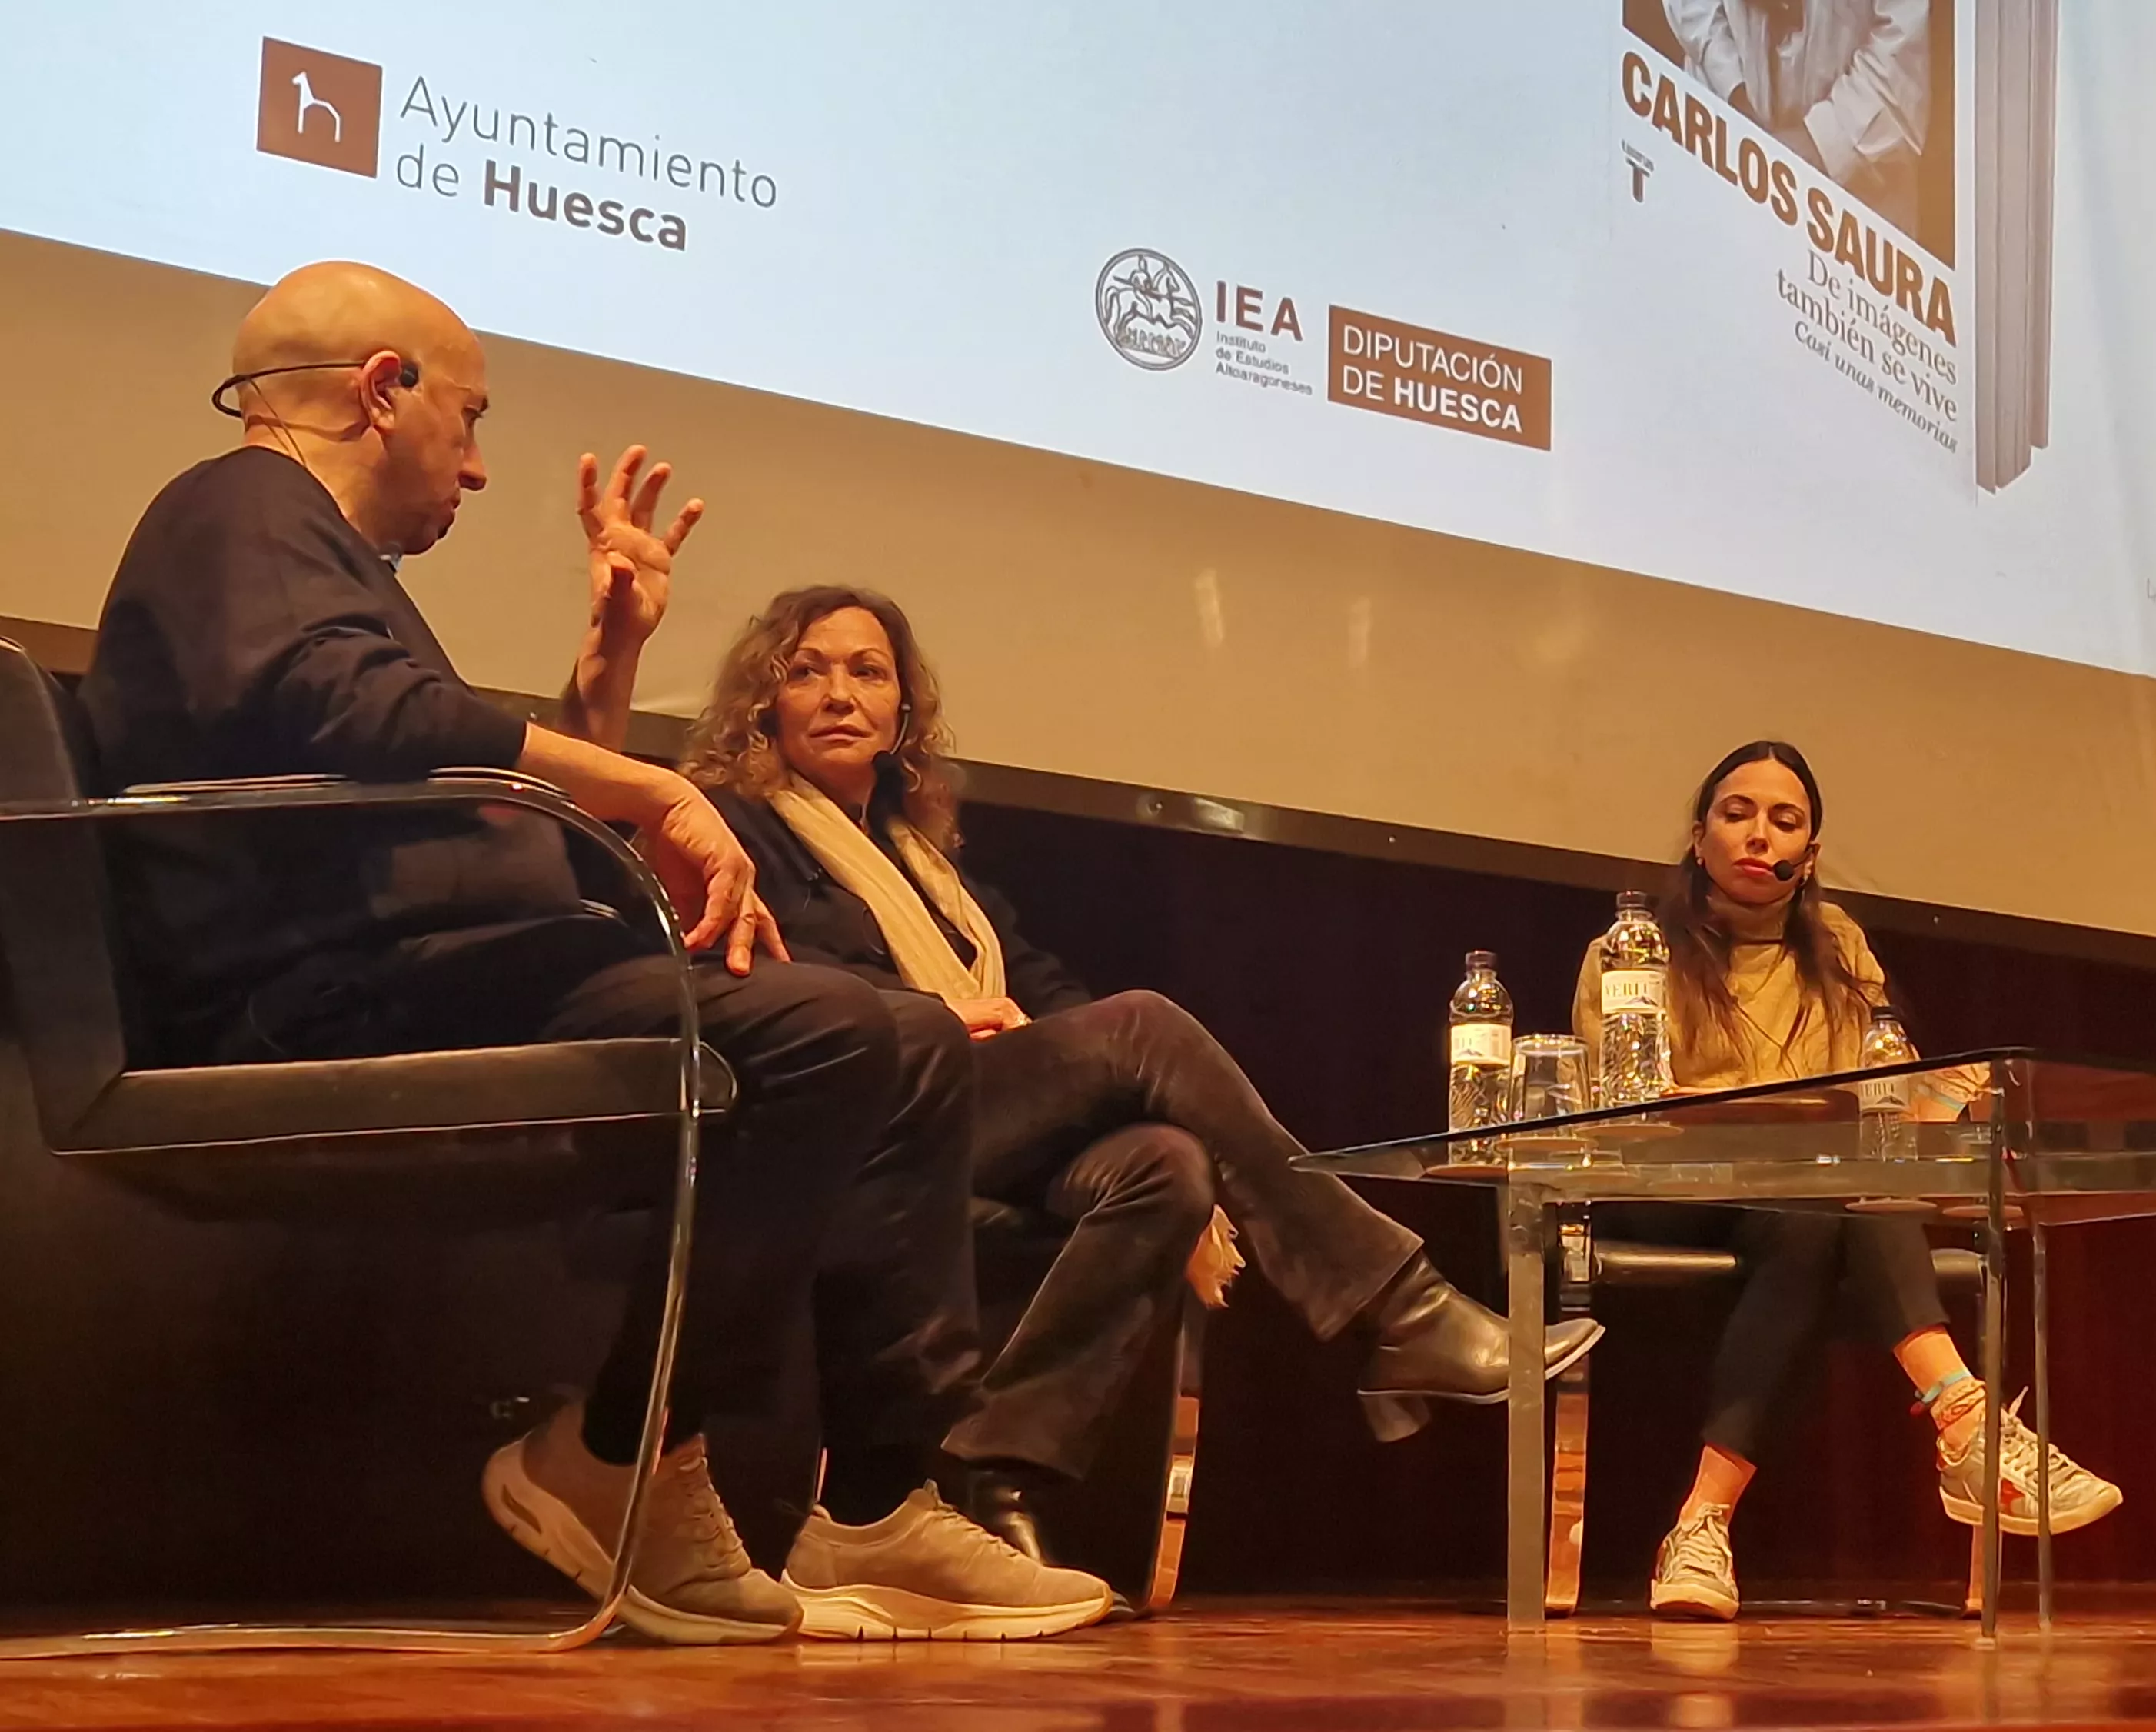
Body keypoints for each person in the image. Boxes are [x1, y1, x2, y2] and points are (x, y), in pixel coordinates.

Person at [78, 261, 1110, 1644]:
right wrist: (660, 789)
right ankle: (630, 1447)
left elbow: (474, 800)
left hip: (442, 972)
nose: (481, 464)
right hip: (328, 999)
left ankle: (872, 1498)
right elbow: (355, 707)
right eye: (470, 416)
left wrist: (609, 665)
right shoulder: (240, 503)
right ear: (384, 393)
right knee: (844, 1032)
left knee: (901, 1038)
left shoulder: (311, 559)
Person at [678, 585, 1605, 1577]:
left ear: (903, 711)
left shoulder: (933, 870)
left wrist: (1069, 1054)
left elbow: (1053, 999)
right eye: (807, 669)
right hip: (865, 1121)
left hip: (976, 1118)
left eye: (867, 671)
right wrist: (935, 1015)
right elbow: (757, 985)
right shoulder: (739, 829)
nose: (837, 692)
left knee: (1165, 1161)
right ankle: (1404, 1309)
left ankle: (999, 1473)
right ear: (765, 700)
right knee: (1145, 1029)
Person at [1574, 741, 2119, 1622]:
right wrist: (1798, 1119)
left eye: (1784, 820)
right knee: (1834, 1192)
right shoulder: (1632, 948)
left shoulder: (1837, 946)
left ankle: (1700, 1526)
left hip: (1803, 1202)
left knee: (1827, 1205)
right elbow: (1638, 1103)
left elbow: (1881, 1098)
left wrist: (1946, 1097)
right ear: (1698, 834)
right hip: (1674, 1189)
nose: (1759, 833)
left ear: (1810, 855)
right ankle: (1967, 1419)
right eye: (1737, 811)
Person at [1663, 0, 1932, 236]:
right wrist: (1734, 90)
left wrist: (1815, 144)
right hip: (1725, 134)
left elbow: (1902, 58)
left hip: (1852, 202)